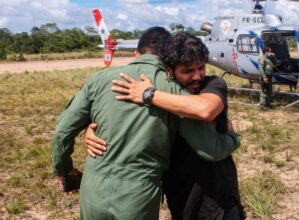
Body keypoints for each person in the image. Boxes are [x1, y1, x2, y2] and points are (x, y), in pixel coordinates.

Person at [51, 27, 241, 220]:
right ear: (168, 64)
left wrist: (65, 171)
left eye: (201, 68)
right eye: (188, 69)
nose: (197, 75)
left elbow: (62, 131)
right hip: (137, 196)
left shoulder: (100, 78)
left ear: (136, 53)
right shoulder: (172, 88)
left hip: (92, 190)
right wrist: (233, 137)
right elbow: (211, 149)